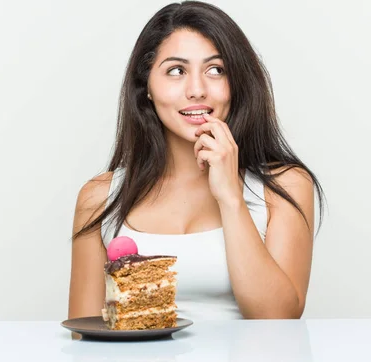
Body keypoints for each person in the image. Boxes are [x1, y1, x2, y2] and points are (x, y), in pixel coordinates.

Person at [68, 1, 324, 321]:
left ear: (237, 83)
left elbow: (278, 320)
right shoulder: (99, 198)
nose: (197, 90)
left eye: (216, 70)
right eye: (176, 71)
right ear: (146, 86)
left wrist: (230, 197)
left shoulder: (286, 186)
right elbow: (84, 335)